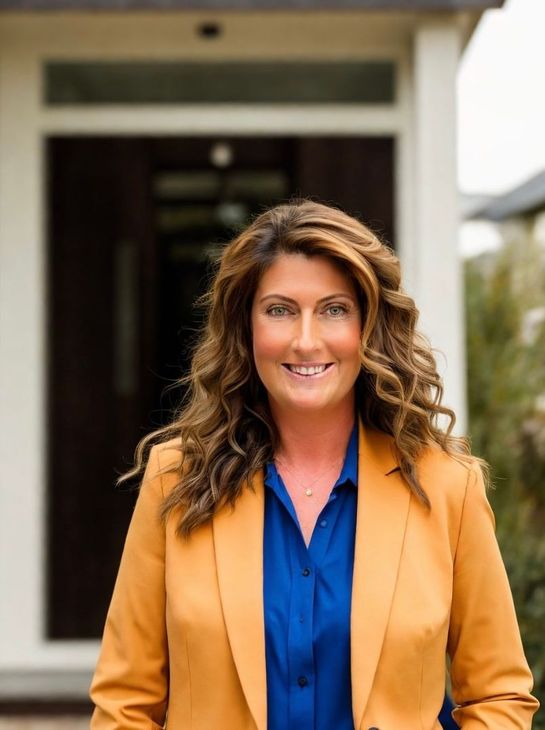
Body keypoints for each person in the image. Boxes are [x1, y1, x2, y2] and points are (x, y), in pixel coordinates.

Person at [90, 199, 539, 729]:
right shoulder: (176, 479)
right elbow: (125, 706)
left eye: (334, 309)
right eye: (280, 310)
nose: (306, 341)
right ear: (246, 327)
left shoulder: (447, 486)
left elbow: (498, 697)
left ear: (369, 326)